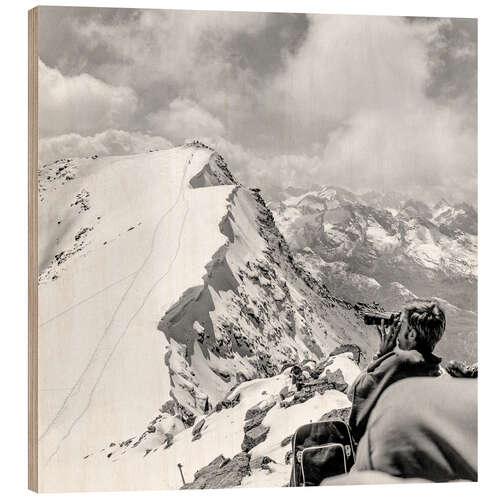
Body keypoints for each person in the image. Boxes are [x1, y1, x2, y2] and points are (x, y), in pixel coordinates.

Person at [348, 300, 446, 443]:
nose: (397, 330)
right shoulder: (434, 369)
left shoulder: (401, 362)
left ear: (412, 334)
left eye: (402, 325)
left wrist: (381, 354)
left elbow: (354, 393)